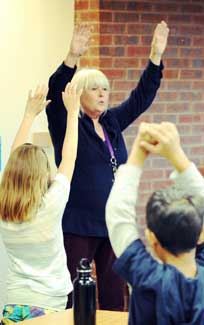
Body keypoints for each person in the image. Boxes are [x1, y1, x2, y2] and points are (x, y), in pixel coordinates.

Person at [45, 21, 169, 310]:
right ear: (78, 93)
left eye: (105, 89)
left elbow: (140, 99)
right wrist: (72, 57)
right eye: (94, 89)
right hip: (78, 225)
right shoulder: (68, 124)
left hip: (111, 223)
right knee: (76, 293)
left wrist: (155, 57)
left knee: (115, 294)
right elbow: (54, 92)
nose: (103, 94)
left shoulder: (111, 122)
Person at [105, 122, 204, 325]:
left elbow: (117, 216)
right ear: (201, 234)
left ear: (152, 238)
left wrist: (138, 154)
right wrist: (176, 155)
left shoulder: (148, 277)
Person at [0, 84, 80, 323]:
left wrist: (28, 115)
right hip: (51, 304)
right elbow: (69, 157)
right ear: (42, 174)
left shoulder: (3, 207)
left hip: (13, 304)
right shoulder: (50, 204)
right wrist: (73, 113)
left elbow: (14, 166)